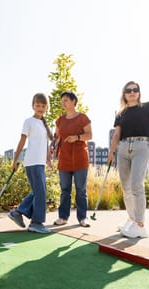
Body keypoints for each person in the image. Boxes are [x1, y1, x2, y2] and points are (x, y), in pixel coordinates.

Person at [108, 81, 149, 238]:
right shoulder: (120, 113)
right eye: (128, 90)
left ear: (139, 92)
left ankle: (140, 225)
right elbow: (116, 134)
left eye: (135, 89)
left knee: (136, 184)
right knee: (126, 187)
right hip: (122, 148)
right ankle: (132, 219)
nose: (132, 92)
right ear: (124, 94)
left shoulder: (148, 106)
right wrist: (111, 152)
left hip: (141, 146)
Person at [7, 93, 53, 234]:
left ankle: (18, 212)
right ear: (33, 106)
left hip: (40, 163)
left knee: (38, 192)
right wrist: (15, 160)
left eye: (43, 106)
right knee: (40, 193)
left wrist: (48, 159)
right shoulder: (29, 121)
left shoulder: (45, 124)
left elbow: (44, 144)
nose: (40, 108)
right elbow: (22, 141)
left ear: (46, 107)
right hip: (32, 162)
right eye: (37, 105)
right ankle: (36, 223)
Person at [52, 91, 92, 227]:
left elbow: (89, 135)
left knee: (81, 189)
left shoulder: (83, 118)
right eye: (62, 101)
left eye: (66, 100)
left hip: (80, 158)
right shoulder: (60, 121)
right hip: (64, 159)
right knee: (65, 190)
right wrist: (52, 147)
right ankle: (63, 217)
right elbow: (56, 138)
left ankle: (83, 218)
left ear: (74, 101)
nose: (63, 103)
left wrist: (77, 137)